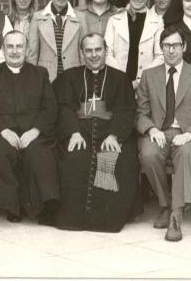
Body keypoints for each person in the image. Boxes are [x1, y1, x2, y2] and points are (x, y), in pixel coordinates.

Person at [0, 31, 60, 222]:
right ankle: (12, 206)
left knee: (38, 152)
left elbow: (50, 107)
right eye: (10, 46)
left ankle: (40, 206)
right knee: (2, 151)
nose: (15, 51)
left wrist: (34, 131)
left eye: (19, 46)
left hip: (34, 131)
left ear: (26, 49)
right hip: (0, 132)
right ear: (3, 49)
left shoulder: (40, 73)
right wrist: (3, 131)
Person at [53, 33, 140, 232]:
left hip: (110, 133)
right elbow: (63, 108)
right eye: (88, 50)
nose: (94, 55)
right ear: (82, 53)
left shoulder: (120, 78)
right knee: (73, 159)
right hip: (78, 133)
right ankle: (73, 218)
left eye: (98, 50)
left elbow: (126, 111)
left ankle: (108, 218)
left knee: (120, 159)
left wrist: (114, 135)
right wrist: (73, 132)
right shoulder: (69, 77)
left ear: (105, 51)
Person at [136, 26, 191, 241]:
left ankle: (176, 216)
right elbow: (140, 112)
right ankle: (165, 203)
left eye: (175, 45)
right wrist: (151, 128)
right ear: (161, 48)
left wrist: (190, 133)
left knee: (187, 153)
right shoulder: (149, 75)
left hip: (189, 135)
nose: (171, 50)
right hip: (159, 133)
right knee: (148, 154)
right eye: (166, 46)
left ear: (184, 47)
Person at [104, 0, 164, 89]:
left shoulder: (158, 22)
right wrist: (122, 79)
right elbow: (107, 53)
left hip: (146, 84)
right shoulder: (114, 20)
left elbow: (160, 56)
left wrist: (140, 81)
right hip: (118, 83)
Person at [27, 0, 86, 83]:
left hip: (72, 77)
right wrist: (32, 80)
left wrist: (83, 80)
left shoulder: (80, 18)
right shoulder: (37, 17)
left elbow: (83, 53)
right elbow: (32, 54)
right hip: (45, 78)